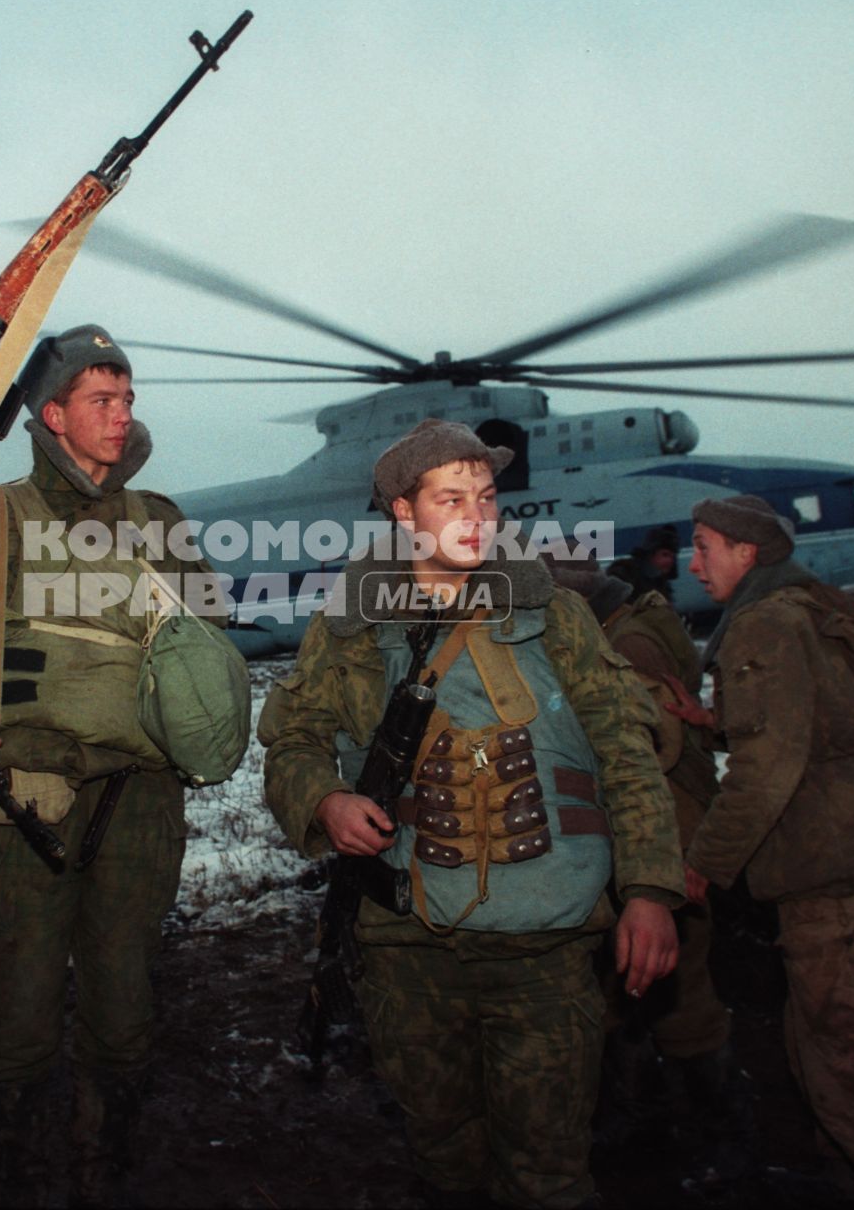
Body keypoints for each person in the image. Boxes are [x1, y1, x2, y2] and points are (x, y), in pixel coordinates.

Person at [260, 418, 685, 1209]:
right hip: (406, 942)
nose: (475, 516)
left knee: (549, 1171)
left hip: (546, 945)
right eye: (450, 498)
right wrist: (324, 798)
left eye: (485, 497)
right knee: (443, 1153)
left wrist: (652, 891)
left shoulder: (554, 615)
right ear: (401, 512)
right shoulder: (350, 625)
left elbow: (625, 752)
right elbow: (292, 742)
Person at [0, 325, 222, 1206]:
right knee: (18, 1006)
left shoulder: (162, 522)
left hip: (140, 798)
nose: (120, 417)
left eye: (127, 401)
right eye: (100, 401)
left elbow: (207, 656)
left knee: (125, 997)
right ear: (52, 414)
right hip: (16, 803)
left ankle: (107, 1164)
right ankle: (12, 1172)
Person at [685, 494, 854, 1210]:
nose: (693, 561)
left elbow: (766, 768)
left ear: (747, 554)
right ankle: (851, 1185)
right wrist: (710, 721)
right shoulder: (801, 607)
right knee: (819, 1053)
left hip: (837, 880)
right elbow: (806, 723)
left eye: (705, 545)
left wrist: (699, 865)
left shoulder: (764, 624)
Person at [554, 562, 751, 1182]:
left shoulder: (627, 645)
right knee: (628, 978)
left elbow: (646, 745)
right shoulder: (638, 623)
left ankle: (722, 1138)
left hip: (665, 823)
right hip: (664, 816)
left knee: (678, 983)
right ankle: (645, 1119)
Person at [606, 524, 681, 603]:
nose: (670, 561)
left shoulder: (662, 586)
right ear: (651, 554)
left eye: (673, 557)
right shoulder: (623, 573)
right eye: (665, 555)